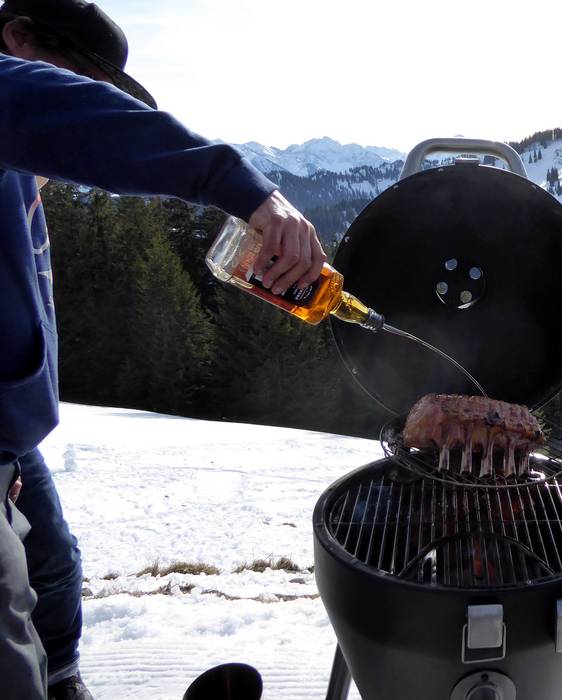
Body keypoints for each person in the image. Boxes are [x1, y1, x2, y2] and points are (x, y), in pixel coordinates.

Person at [0, 1, 326, 698]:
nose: (87, 103)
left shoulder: (16, 167)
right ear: (18, 39)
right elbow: (79, 119)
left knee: (51, 563)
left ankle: (63, 681)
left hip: (8, 440)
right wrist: (249, 192)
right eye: (85, 83)